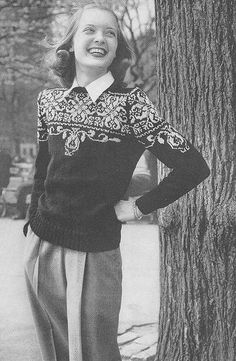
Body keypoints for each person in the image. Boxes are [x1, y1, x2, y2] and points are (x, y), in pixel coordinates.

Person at [23, 3, 210, 361]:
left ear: (118, 48)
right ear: (71, 43)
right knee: (53, 349)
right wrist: (32, 220)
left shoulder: (132, 106)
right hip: (41, 244)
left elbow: (194, 167)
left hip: (96, 251)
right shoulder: (49, 101)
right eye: (89, 30)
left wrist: (138, 207)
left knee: (96, 353)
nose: (100, 38)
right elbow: (42, 167)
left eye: (110, 32)